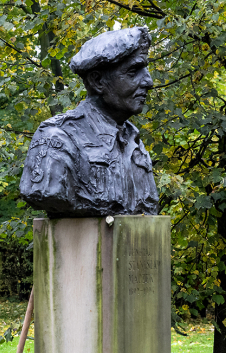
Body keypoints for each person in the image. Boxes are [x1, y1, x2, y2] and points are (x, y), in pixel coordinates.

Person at [19, 26, 158, 217]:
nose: (148, 82)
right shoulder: (58, 137)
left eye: (145, 70)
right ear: (98, 81)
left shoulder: (134, 142)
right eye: (133, 71)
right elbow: (46, 192)